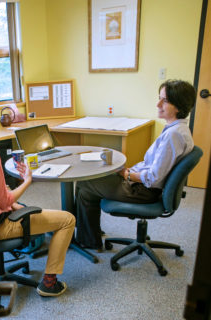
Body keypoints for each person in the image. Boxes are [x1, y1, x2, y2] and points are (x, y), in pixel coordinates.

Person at [75, 79, 196, 251]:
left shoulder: (173, 136)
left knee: (85, 183)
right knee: (98, 177)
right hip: (145, 186)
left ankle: (87, 239)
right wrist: (129, 170)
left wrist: (127, 175)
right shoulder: (178, 129)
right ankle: (88, 231)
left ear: (179, 105)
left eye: (165, 100)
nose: (158, 103)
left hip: (144, 191)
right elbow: (153, 165)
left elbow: (153, 177)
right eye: (159, 98)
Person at [0, 99, 75, 297]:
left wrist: (12, 201)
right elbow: (4, 202)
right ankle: (49, 284)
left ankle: (0, 270)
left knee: (21, 205)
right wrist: (27, 180)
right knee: (67, 220)